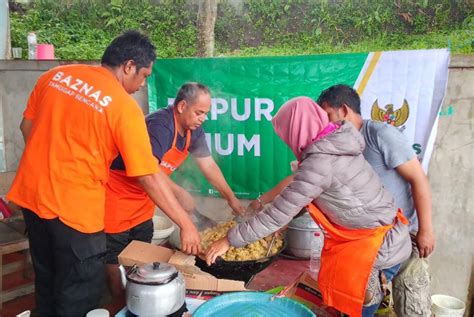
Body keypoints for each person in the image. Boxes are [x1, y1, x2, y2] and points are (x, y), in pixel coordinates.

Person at [8, 30, 200, 316]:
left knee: (47, 284)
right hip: (76, 216)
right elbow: (148, 176)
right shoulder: (124, 109)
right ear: (128, 66)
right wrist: (186, 224)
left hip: (32, 201)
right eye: (144, 75)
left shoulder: (55, 76)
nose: (142, 83)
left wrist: (49, 166)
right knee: (78, 295)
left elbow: (27, 128)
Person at [205, 97, 412, 317]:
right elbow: (308, 195)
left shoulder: (321, 161)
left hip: (377, 248)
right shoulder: (334, 146)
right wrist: (287, 218)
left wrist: (229, 240)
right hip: (380, 238)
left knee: (358, 309)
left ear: (297, 131)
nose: (288, 142)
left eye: (287, 136)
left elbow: (277, 214)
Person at [104, 82, 244, 303]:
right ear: (181, 106)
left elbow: (209, 167)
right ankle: (120, 302)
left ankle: (140, 296)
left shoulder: (192, 131)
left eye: (206, 114)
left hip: (143, 200)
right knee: (113, 258)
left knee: (138, 253)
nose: (203, 119)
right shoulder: (160, 126)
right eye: (199, 112)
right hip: (116, 198)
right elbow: (147, 172)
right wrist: (179, 197)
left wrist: (232, 199)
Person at [317, 84, 435, 315]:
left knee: (410, 306)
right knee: (363, 298)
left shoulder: (379, 135)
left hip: (401, 234)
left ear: (344, 110)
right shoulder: (338, 144)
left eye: (328, 115)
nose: (326, 124)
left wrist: (425, 230)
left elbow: (418, 179)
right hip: (369, 241)